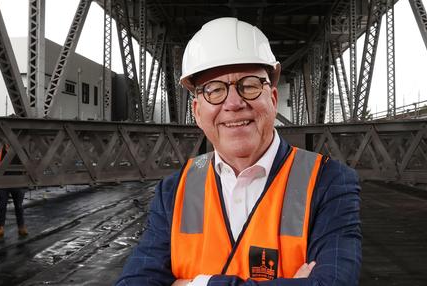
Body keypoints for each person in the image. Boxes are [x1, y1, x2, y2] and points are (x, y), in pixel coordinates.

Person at [117, 17, 362, 285]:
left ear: (273, 98)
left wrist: (194, 283)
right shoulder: (174, 191)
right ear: (198, 112)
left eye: (250, 85)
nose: (234, 103)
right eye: (214, 90)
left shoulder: (328, 182)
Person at [0, 143, 27, 238]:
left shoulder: (20, 149)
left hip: (18, 181)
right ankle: (0, 228)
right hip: (3, 183)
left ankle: (21, 227)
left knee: (19, 206)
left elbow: (27, 164)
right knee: (2, 206)